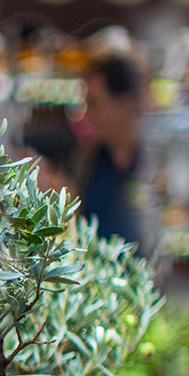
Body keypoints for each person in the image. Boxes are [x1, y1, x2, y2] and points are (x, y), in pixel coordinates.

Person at [75, 54, 149, 253]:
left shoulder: (154, 163)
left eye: (94, 103)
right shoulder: (87, 162)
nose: (86, 114)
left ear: (125, 104)